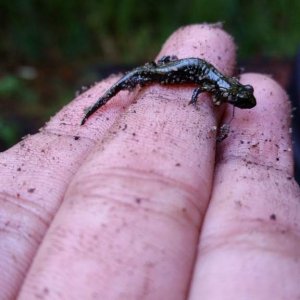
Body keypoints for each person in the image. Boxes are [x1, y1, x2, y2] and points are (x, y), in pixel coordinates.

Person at [1, 24, 299, 300]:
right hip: (163, 72)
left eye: (240, 98)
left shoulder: (219, 85)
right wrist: (195, 99)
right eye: (240, 98)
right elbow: (199, 88)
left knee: (155, 73)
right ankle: (100, 103)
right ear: (230, 92)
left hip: (173, 68)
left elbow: (202, 85)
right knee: (133, 82)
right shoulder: (213, 86)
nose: (243, 101)